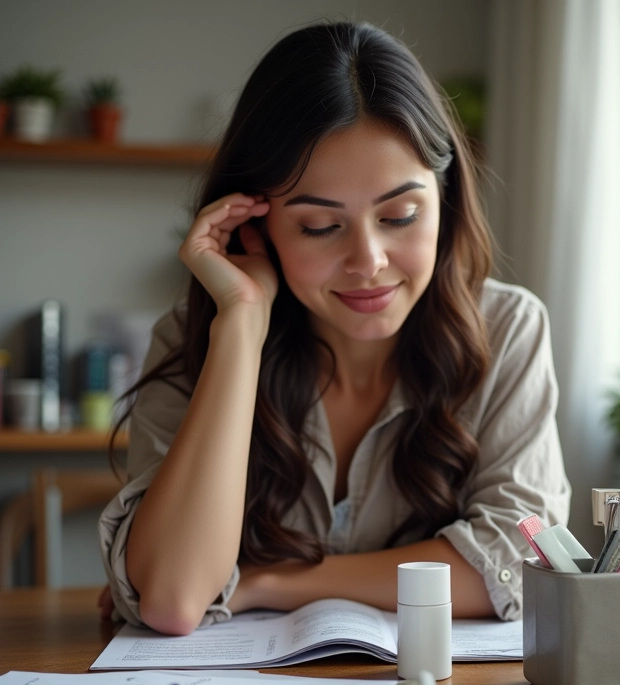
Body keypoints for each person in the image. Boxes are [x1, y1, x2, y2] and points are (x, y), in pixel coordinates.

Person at [98, 20, 571, 636]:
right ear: (257, 228)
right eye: (320, 227)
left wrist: (267, 582)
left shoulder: (509, 329)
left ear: (444, 198)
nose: (368, 261)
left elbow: (521, 558)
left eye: (400, 215)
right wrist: (241, 325)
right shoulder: (196, 338)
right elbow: (173, 598)